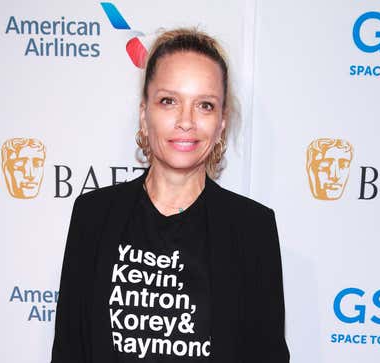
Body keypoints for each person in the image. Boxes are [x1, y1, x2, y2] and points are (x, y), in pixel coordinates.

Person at [51, 28, 289, 363]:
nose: (186, 121)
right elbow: (69, 350)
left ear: (222, 122)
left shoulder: (252, 228)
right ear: (144, 113)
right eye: (169, 101)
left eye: (204, 105)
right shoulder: (93, 215)